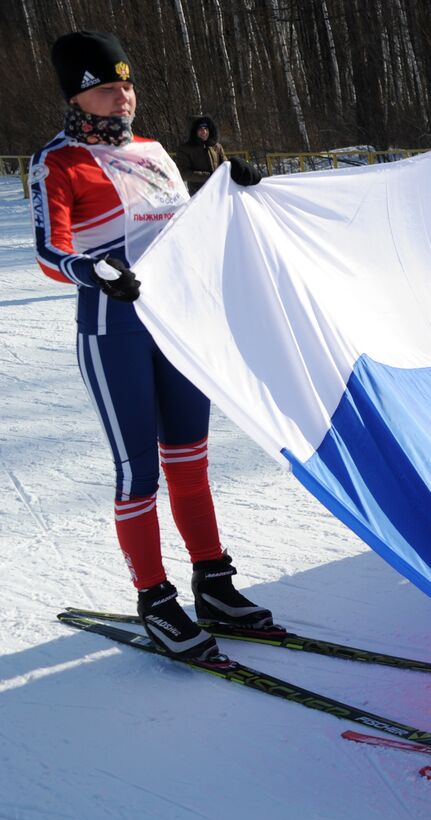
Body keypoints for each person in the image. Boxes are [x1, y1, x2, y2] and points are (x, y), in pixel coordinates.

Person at [32, 31, 275, 662]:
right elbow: (49, 250)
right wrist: (94, 269)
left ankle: (214, 586)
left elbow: (186, 225)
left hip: (177, 326)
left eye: (127, 84)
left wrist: (233, 188)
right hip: (115, 334)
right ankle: (156, 600)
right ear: (80, 97)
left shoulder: (155, 150)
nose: (124, 97)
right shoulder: (58, 160)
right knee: (139, 473)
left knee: (190, 462)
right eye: (108, 88)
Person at [171, 115, 227, 194]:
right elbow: (183, 173)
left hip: (218, 190)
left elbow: (225, 165)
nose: (204, 132)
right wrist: (209, 176)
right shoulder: (185, 149)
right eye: (200, 129)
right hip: (198, 192)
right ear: (194, 132)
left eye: (206, 129)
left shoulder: (217, 146)